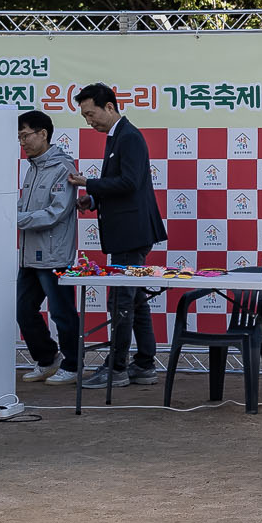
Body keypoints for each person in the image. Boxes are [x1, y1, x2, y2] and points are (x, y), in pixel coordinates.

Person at [70, 83, 166, 386]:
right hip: (128, 231)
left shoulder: (129, 137)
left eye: (91, 114)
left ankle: (117, 366)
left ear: (109, 106)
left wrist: (89, 183)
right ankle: (144, 363)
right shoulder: (118, 136)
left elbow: (129, 183)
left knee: (121, 301)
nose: (89, 121)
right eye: (85, 117)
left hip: (131, 233)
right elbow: (120, 184)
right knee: (134, 298)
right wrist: (94, 198)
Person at [15, 110, 81, 385]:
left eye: (26, 135)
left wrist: (14, 220)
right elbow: (25, 206)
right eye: (19, 137)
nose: (23, 142)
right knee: (22, 309)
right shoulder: (33, 167)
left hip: (53, 254)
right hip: (29, 253)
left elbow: (56, 212)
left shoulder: (63, 168)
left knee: (62, 312)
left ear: (43, 134)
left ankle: (73, 364)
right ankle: (47, 358)